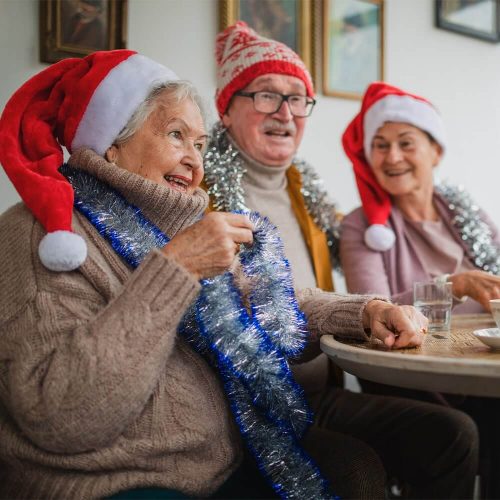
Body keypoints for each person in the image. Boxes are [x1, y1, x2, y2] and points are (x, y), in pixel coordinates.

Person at [0, 50, 468, 499]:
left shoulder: (173, 225)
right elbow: (64, 417)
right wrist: (177, 269)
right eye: (176, 135)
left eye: (199, 145)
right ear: (110, 146)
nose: (194, 160)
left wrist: (367, 310)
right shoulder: (42, 235)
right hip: (113, 478)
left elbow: (268, 302)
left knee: (361, 462)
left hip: (217, 457)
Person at [204, 23, 479, 499]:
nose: (285, 113)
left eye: (297, 99)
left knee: (453, 434)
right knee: (357, 469)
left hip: (318, 392)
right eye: (266, 96)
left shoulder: (307, 198)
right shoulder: (201, 195)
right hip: (245, 403)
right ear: (226, 110)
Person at [340, 81, 500, 498]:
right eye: (380, 144)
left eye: (406, 143)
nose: (392, 157)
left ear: (436, 151)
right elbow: (375, 308)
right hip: (419, 384)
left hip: (483, 371)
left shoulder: (466, 214)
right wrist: (454, 284)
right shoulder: (362, 227)